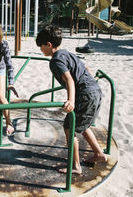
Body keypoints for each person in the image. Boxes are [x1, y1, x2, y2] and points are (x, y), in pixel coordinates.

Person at [36, 25, 107, 175]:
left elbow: (69, 80)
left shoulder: (55, 61)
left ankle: (75, 166)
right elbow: (86, 68)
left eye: (41, 47)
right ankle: (99, 154)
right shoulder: (66, 53)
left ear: (48, 45)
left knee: (69, 127)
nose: (40, 50)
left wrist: (71, 101)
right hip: (95, 90)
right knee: (83, 124)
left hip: (85, 94)